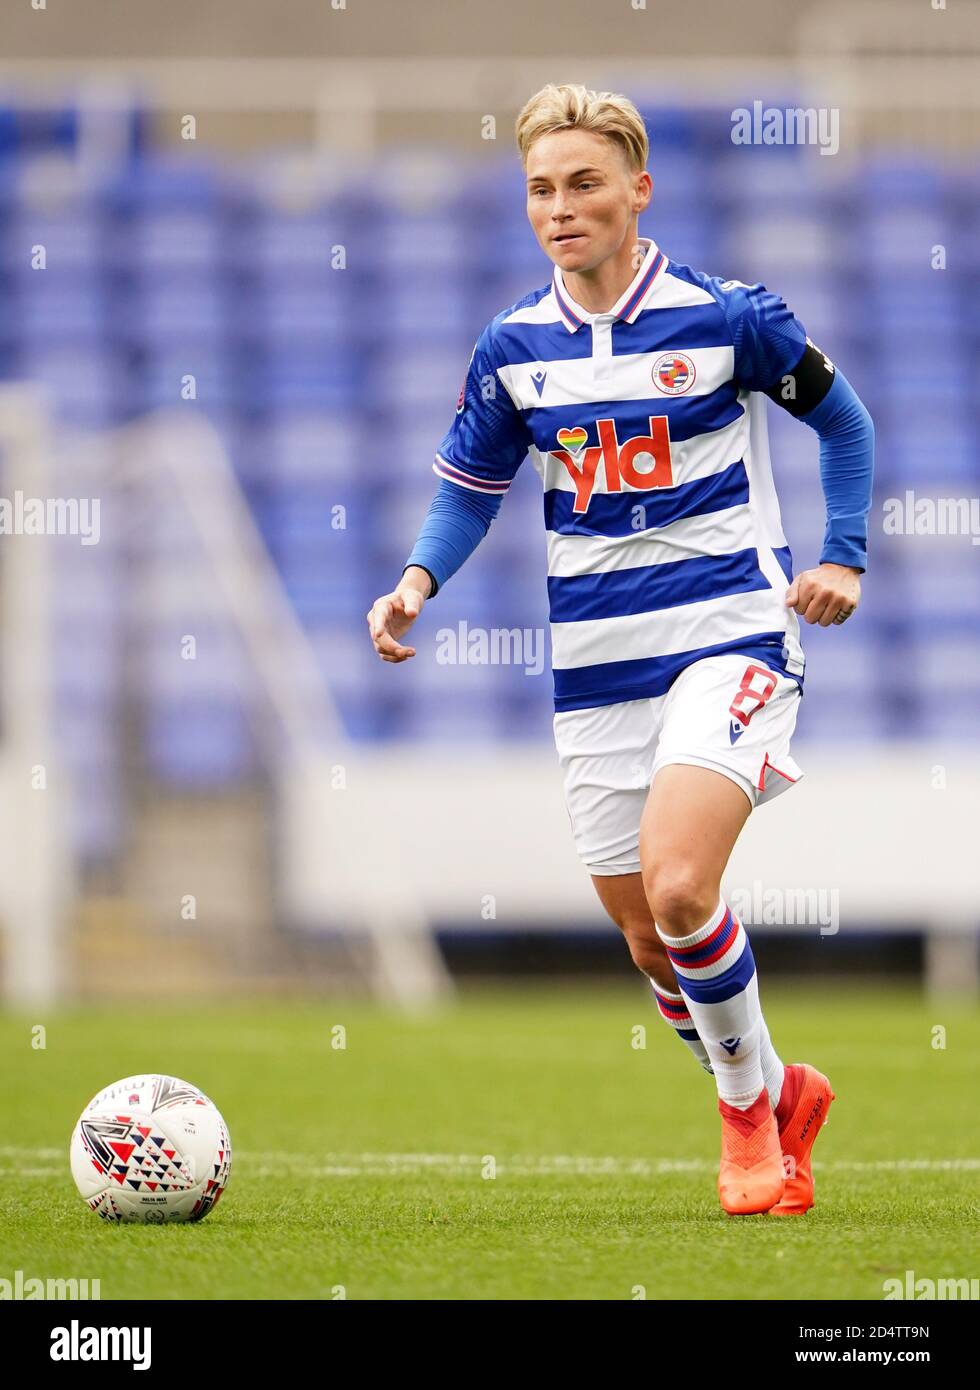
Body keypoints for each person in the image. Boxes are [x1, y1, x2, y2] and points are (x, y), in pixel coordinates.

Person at [366, 83, 874, 1216]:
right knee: (650, 941)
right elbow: (466, 490)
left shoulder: (726, 315)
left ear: (638, 192)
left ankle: (745, 1131)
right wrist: (414, 581)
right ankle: (778, 1088)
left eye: (584, 183)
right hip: (596, 668)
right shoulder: (513, 349)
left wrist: (839, 556)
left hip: (725, 633)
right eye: (541, 188)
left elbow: (843, 420)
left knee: (682, 888)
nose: (561, 206)